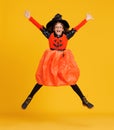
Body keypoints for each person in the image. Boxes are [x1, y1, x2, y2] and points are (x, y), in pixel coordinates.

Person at [21, 11, 94, 109]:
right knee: (42, 79)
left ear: (63, 29)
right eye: (56, 27)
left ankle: (84, 99)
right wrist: (30, 18)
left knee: (70, 80)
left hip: (63, 60)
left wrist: (86, 20)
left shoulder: (67, 36)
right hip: (51, 59)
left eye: (60, 27)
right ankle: (29, 97)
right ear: (53, 29)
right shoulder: (49, 35)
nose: (58, 29)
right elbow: (40, 27)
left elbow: (76, 28)